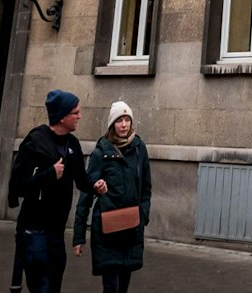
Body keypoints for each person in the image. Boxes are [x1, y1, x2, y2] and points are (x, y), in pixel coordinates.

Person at [9, 89, 105, 293]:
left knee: (53, 287)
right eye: (75, 113)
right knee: (41, 287)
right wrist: (49, 174)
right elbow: (17, 186)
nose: (79, 116)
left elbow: (81, 180)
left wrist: (95, 185)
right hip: (34, 230)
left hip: (57, 231)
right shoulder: (35, 141)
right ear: (62, 116)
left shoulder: (73, 144)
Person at [74, 101, 152, 293]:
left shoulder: (139, 148)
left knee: (123, 287)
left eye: (127, 120)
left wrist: (142, 215)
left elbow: (146, 188)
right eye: (119, 120)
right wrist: (79, 236)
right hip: (107, 233)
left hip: (131, 230)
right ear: (112, 124)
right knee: (111, 287)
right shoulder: (101, 152)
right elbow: (86, 194)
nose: (124, 125)